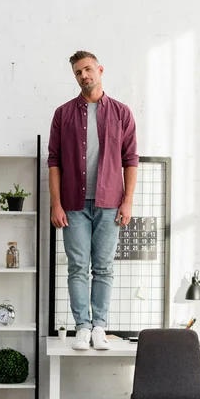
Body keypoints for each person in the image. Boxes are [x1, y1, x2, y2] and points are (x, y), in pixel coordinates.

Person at [48, 51, 138, 350]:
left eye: (88, 69)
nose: (84, 75)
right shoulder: (63, 114)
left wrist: (127, 201)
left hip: (110, 201)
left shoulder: (122, 113)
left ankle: (99, 326)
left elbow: (130, 159)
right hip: (73, 204)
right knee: (77, 266)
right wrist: (56, 204)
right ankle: (82, 328)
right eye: (78, 72)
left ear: (99, 70)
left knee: (103, 267)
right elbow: (54, 161)